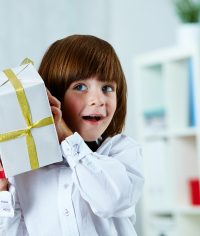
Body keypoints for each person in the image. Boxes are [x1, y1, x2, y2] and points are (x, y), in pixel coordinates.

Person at [0, 34, 144, 236]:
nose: (98, 100)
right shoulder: (27, 169)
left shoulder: (122, 151)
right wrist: (3, 191)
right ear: (51, 95)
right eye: (80, 87)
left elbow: (111, 201)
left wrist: (66, 136)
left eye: (107, 88)